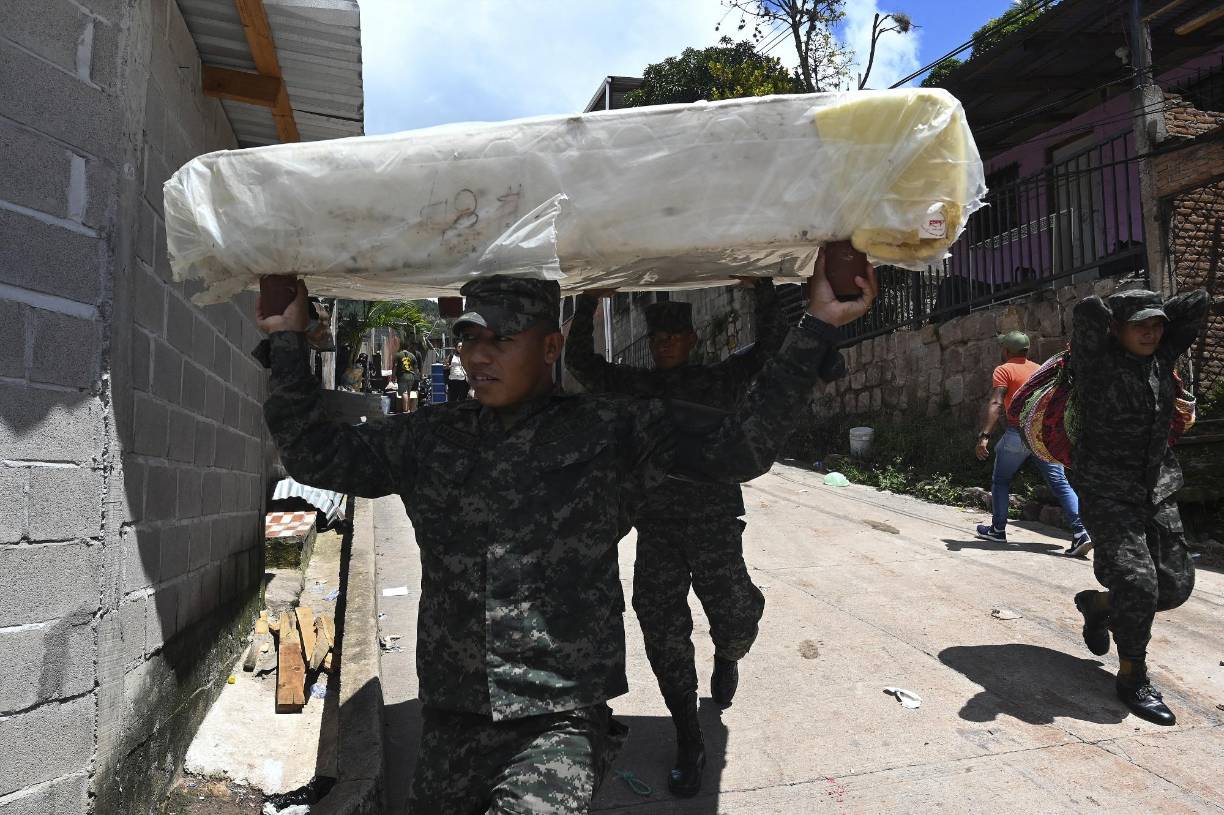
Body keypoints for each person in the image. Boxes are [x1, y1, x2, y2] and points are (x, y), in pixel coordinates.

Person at [256, 258, 877, 814]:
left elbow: (743, 447)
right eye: (469, 338)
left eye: (501, 339)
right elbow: (315, 455)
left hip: (560, 718)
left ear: (550, 345)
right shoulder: (429, 438)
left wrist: (819, 325)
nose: (478, 356)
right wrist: (286, 340)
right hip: (452, 714)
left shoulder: (610, 429)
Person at [566, 279, 844, 796]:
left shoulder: (721, 379)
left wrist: (761, 289)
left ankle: (728, 654)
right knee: (660, 629)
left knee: (737, 617)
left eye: (675, 335)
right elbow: (581, 363)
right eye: (658, 337)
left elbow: (770, 348)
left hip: (716, 526)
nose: (666, 344)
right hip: (657, 529)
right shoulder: (634, 386)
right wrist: (587, 303)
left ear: (692, 339)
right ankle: (688, 735)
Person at [1068, 288, 1207, 726]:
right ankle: (1133, 677)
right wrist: (1111, 310)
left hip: (1157, 486)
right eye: (1139, 325)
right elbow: (1086, 313)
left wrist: (1159, 308)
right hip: (1107, 489)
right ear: (1116, 329)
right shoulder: (1096, 363)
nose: (1150, 333)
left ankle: (1098, 605)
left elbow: (1199, 302)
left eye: (1156, 325)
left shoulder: (1162, 356)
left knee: (1174, 587)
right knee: (1139, 582)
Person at [973, 330, 1090, 555]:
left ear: (1007, 350)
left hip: (1017, 433)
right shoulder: (1040, 369)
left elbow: (996, 403)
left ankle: (998, 530)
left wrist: (984, 435)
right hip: (1042, 435)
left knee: (1001, 481)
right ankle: (1080, 532)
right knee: (1060, 482)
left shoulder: (1004, 369)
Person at [394, 348, 418, 413]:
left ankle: (405, 410)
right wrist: (416, 377)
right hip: (411, 376)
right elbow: (416, 368)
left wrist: (393, 376)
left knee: (404, 393)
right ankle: (409, 409)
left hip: (402, 376)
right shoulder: (412, 356)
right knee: (409, 393)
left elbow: (395, 366)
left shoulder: (398, 355)